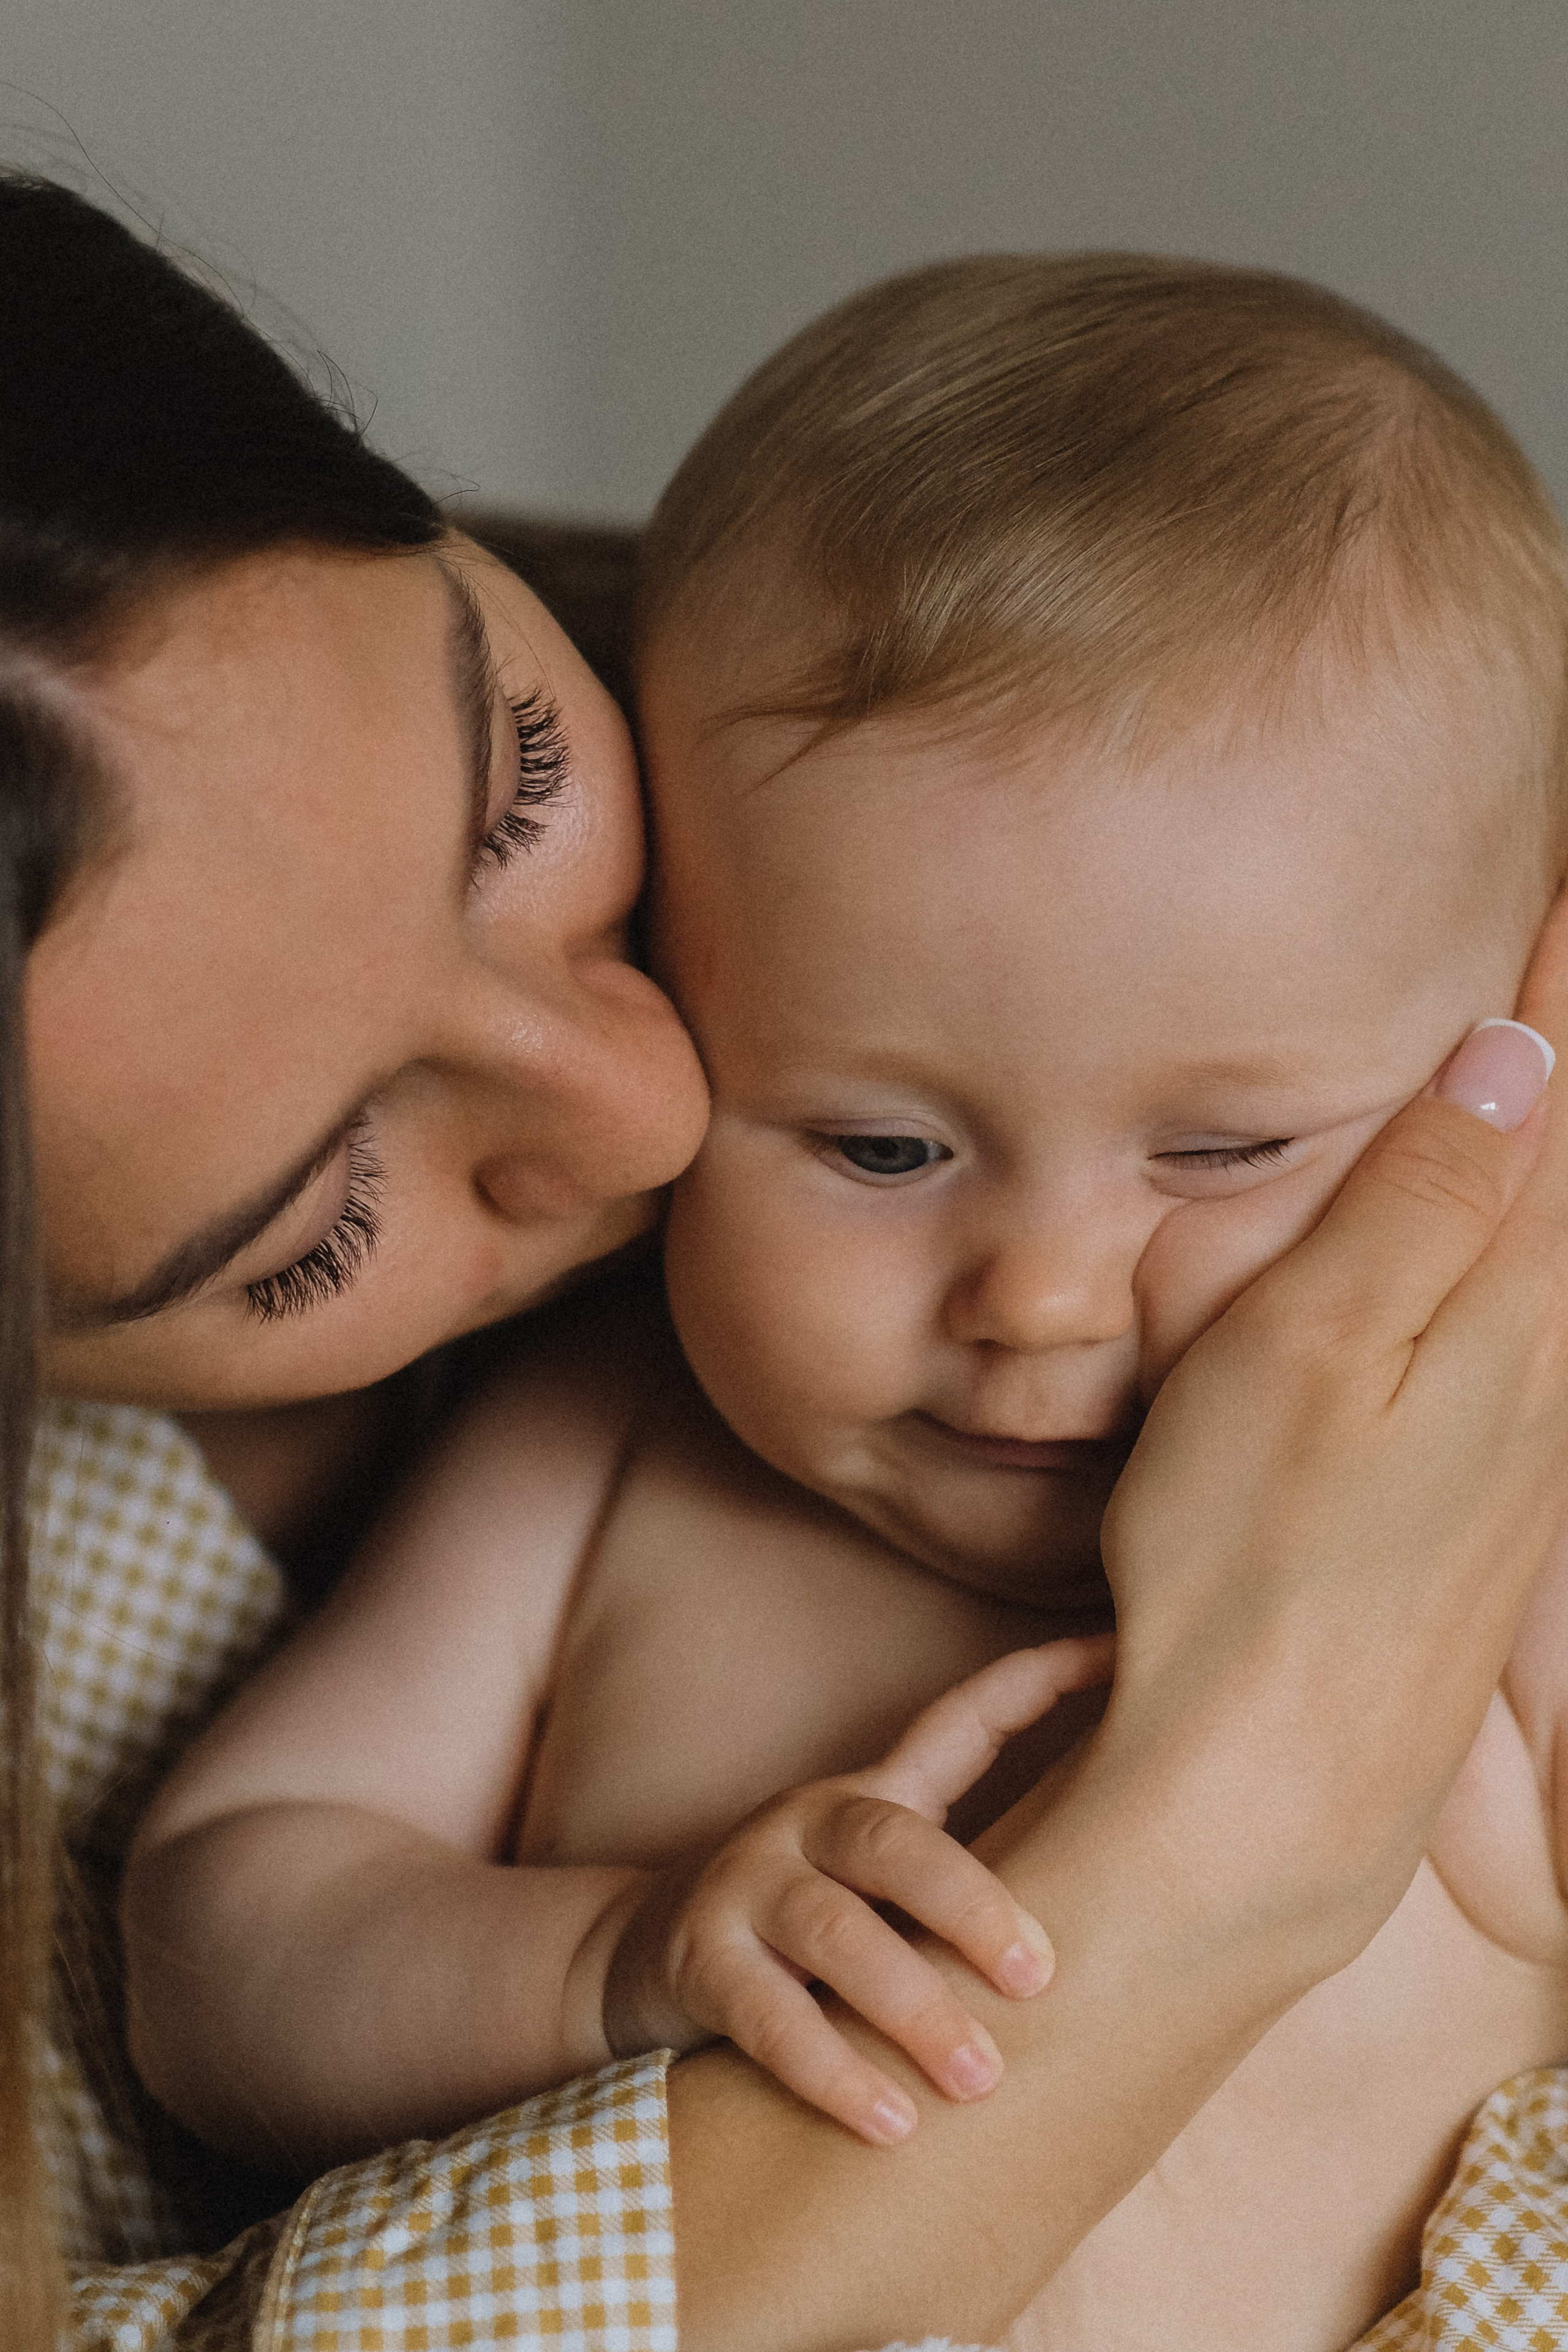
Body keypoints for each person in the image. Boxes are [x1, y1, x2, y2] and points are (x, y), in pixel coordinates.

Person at [9, 175, 1568, 2352]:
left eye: (1221, 1150)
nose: (1038, 1291)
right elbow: (225, 1933)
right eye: (875, 1142)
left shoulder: (1514, 1456)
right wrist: (617, 1954)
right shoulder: (613, 1451)